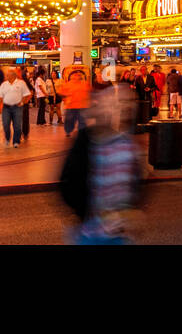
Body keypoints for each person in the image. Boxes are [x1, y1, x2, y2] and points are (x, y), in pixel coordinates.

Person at [58, 85, 146, 244]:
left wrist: (132, 210)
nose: (124, 108)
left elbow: (136, 184)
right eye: (117, 103)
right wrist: (84, 211)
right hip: (89, 233)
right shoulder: (87, 142)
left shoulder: (129, 145)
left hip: (118, 235)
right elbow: (68, 182)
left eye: (129, 103)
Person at [0, 67, 33, 147]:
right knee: (6, 124)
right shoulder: (4, 84)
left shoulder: (22, 82)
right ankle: (7, 138)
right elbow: (0, 96)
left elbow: (28, 94)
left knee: (17, 125)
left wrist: (23, 102)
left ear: (13, 76)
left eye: (7, 75)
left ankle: (16, 141)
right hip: (6, 107)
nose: (6, 76)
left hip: (18, 107)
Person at [59, 68, 92, 136]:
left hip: (82, 106)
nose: (77, 76)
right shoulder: (68, 84)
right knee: (70, 121)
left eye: (79, 75)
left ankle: (80, 133)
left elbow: (90, 93)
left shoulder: (85, 84)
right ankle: (69, 131)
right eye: (75, 75)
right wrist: (65, 98)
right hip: (71, 106)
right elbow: (60, 92)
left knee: (81, 121)